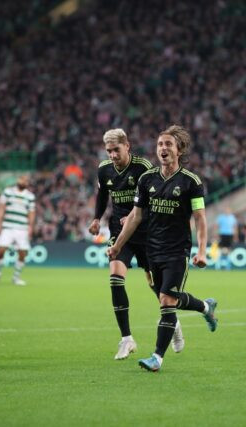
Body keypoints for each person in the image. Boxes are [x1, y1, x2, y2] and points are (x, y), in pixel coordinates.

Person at [108, 125, 218, 372]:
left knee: (167, 301)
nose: (163, 148)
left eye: (168, 144)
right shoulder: (147, 179)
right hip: (152, 250)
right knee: (169, 299)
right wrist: (117, 246)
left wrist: (202, 251)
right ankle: (206, 307)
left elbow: (200, 217)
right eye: (159, 144)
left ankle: (157, 357)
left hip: (177, 251)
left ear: (179, 149)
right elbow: (135, 216)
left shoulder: (191, 182)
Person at [89, 128, 185, 360]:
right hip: (119, 234)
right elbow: (103, 196)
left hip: (147, 233)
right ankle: (126, 339)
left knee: (158, 288)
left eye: (116, 150)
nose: (112, 155)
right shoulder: (104, 170)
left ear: (127, 146)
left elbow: (155, 200)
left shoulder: (143, 168)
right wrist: (96, 217)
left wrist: (133, 216)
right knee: (115, 278)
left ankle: (173, 322)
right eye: (109, 151)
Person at [0, 175, 35, 286]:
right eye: (21, 179)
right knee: (1, 250)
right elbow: (1, 208)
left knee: (23, 253)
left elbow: (31, 213)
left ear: (27, 183)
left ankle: (16, 277)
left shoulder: (30, 196)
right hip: (8, 227)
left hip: (22, 228)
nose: (23, 181)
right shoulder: (8, 192)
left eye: (25, 180)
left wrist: (30, 227)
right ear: (18, 180)